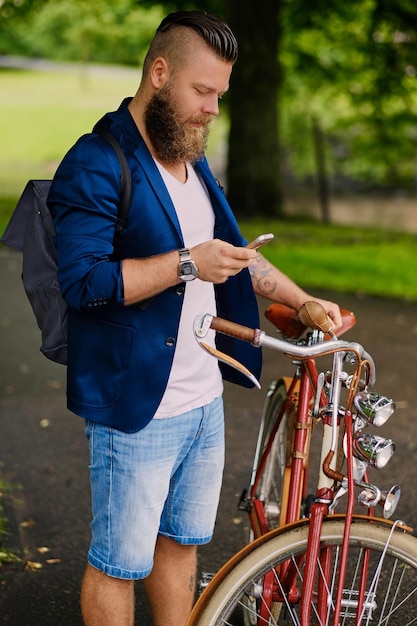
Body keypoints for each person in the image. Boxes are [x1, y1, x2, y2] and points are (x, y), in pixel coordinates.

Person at [47, 10, 342, 626]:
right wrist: (186, 264)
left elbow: (232, 256)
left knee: (181, 547)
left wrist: (304, 299)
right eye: (201, 91)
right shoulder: (96, 162)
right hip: (136, 410)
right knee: (117, 564)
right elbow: (82, 282)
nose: (212, 109)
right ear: (159, 73)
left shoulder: (190, 156)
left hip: (203, 402)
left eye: (220, 96)